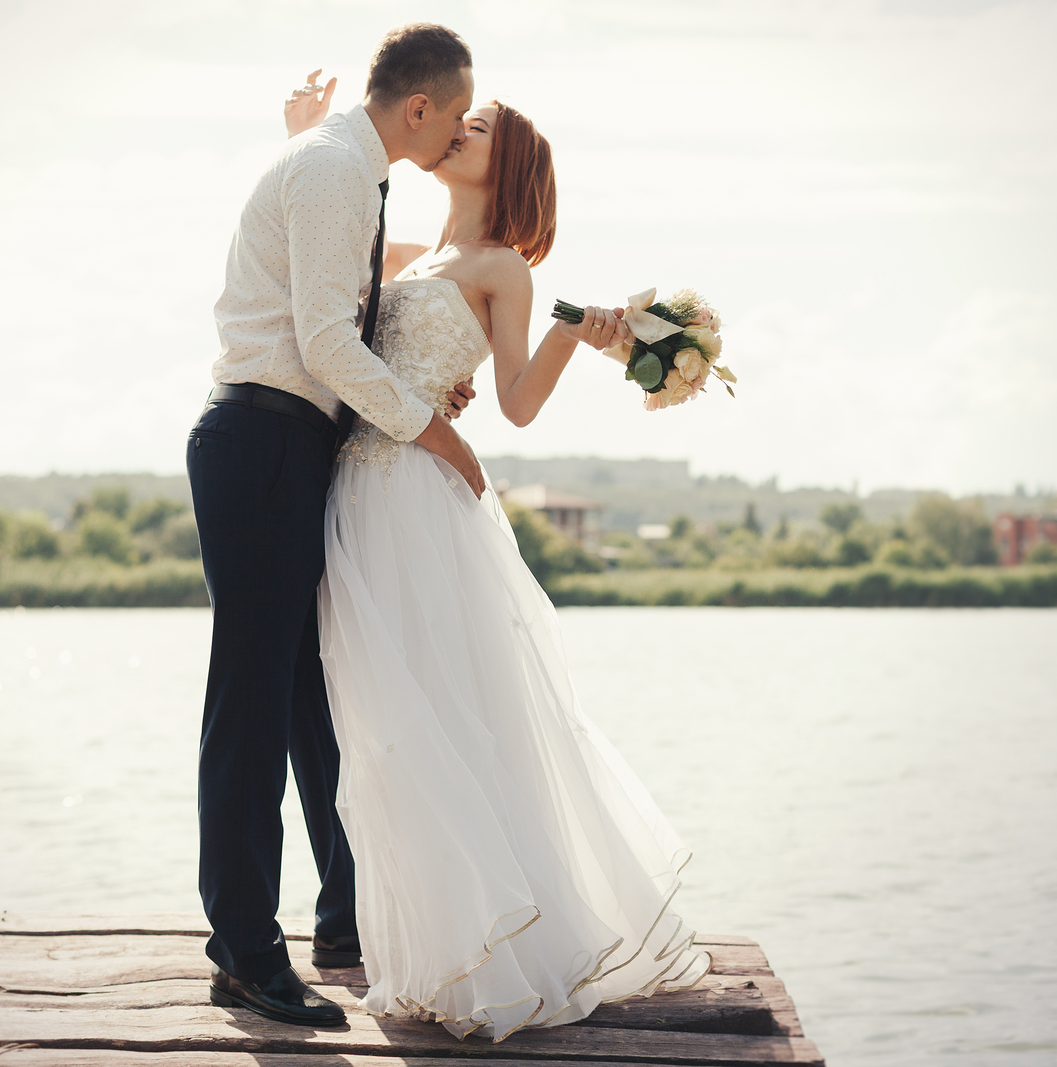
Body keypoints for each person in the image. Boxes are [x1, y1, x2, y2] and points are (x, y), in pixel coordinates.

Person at [286, 79, 713, 1040]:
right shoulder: (411, 249)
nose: (453, 128)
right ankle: (426, 947)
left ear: (506, 160)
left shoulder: (503, 267)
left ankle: (503, 949)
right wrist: (309, 139)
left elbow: (514, 402)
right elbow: (330, 278)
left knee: (438, 713)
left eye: (476, 126)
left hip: (422, 506)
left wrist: (569, 330)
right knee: (382, 725)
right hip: (355, 491)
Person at [188, 23, 486, 1028]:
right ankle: (243, 950)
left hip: (286, 448)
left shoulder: (346, 169)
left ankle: (335, 918)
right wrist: (433, 432)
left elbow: (361, 298)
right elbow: (321, 338)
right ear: (418, 109)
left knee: (303, 695)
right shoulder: (330, 173)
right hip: (264, 441)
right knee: (256, 703)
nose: (455, 134)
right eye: (452, 116)